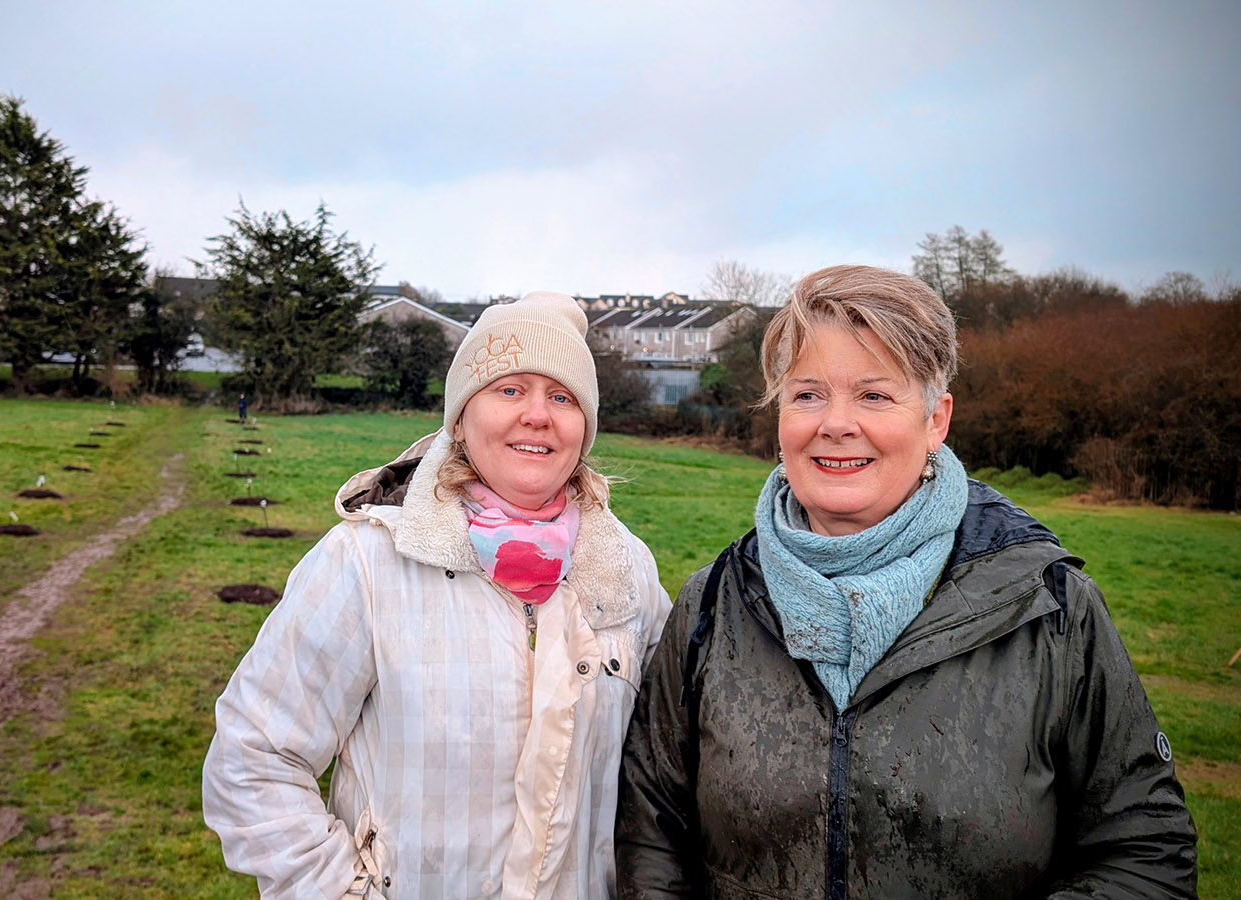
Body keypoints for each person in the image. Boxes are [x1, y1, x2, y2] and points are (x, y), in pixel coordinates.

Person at [617, 265, 1197, 898]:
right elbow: (652, 838)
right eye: (807, 394)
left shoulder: (1048, 608)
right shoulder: (712, 606)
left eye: (873, 395)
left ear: (936, 419)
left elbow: (1145, 852)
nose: (835, 424)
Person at [204, 291, 672, 899]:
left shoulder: (625, 570)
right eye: (509, 390)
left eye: (562, 397)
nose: (538, 414)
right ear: (459, 418)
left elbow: (667, 773)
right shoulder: (369, 561)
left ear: (584, 428)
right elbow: (254, 753)